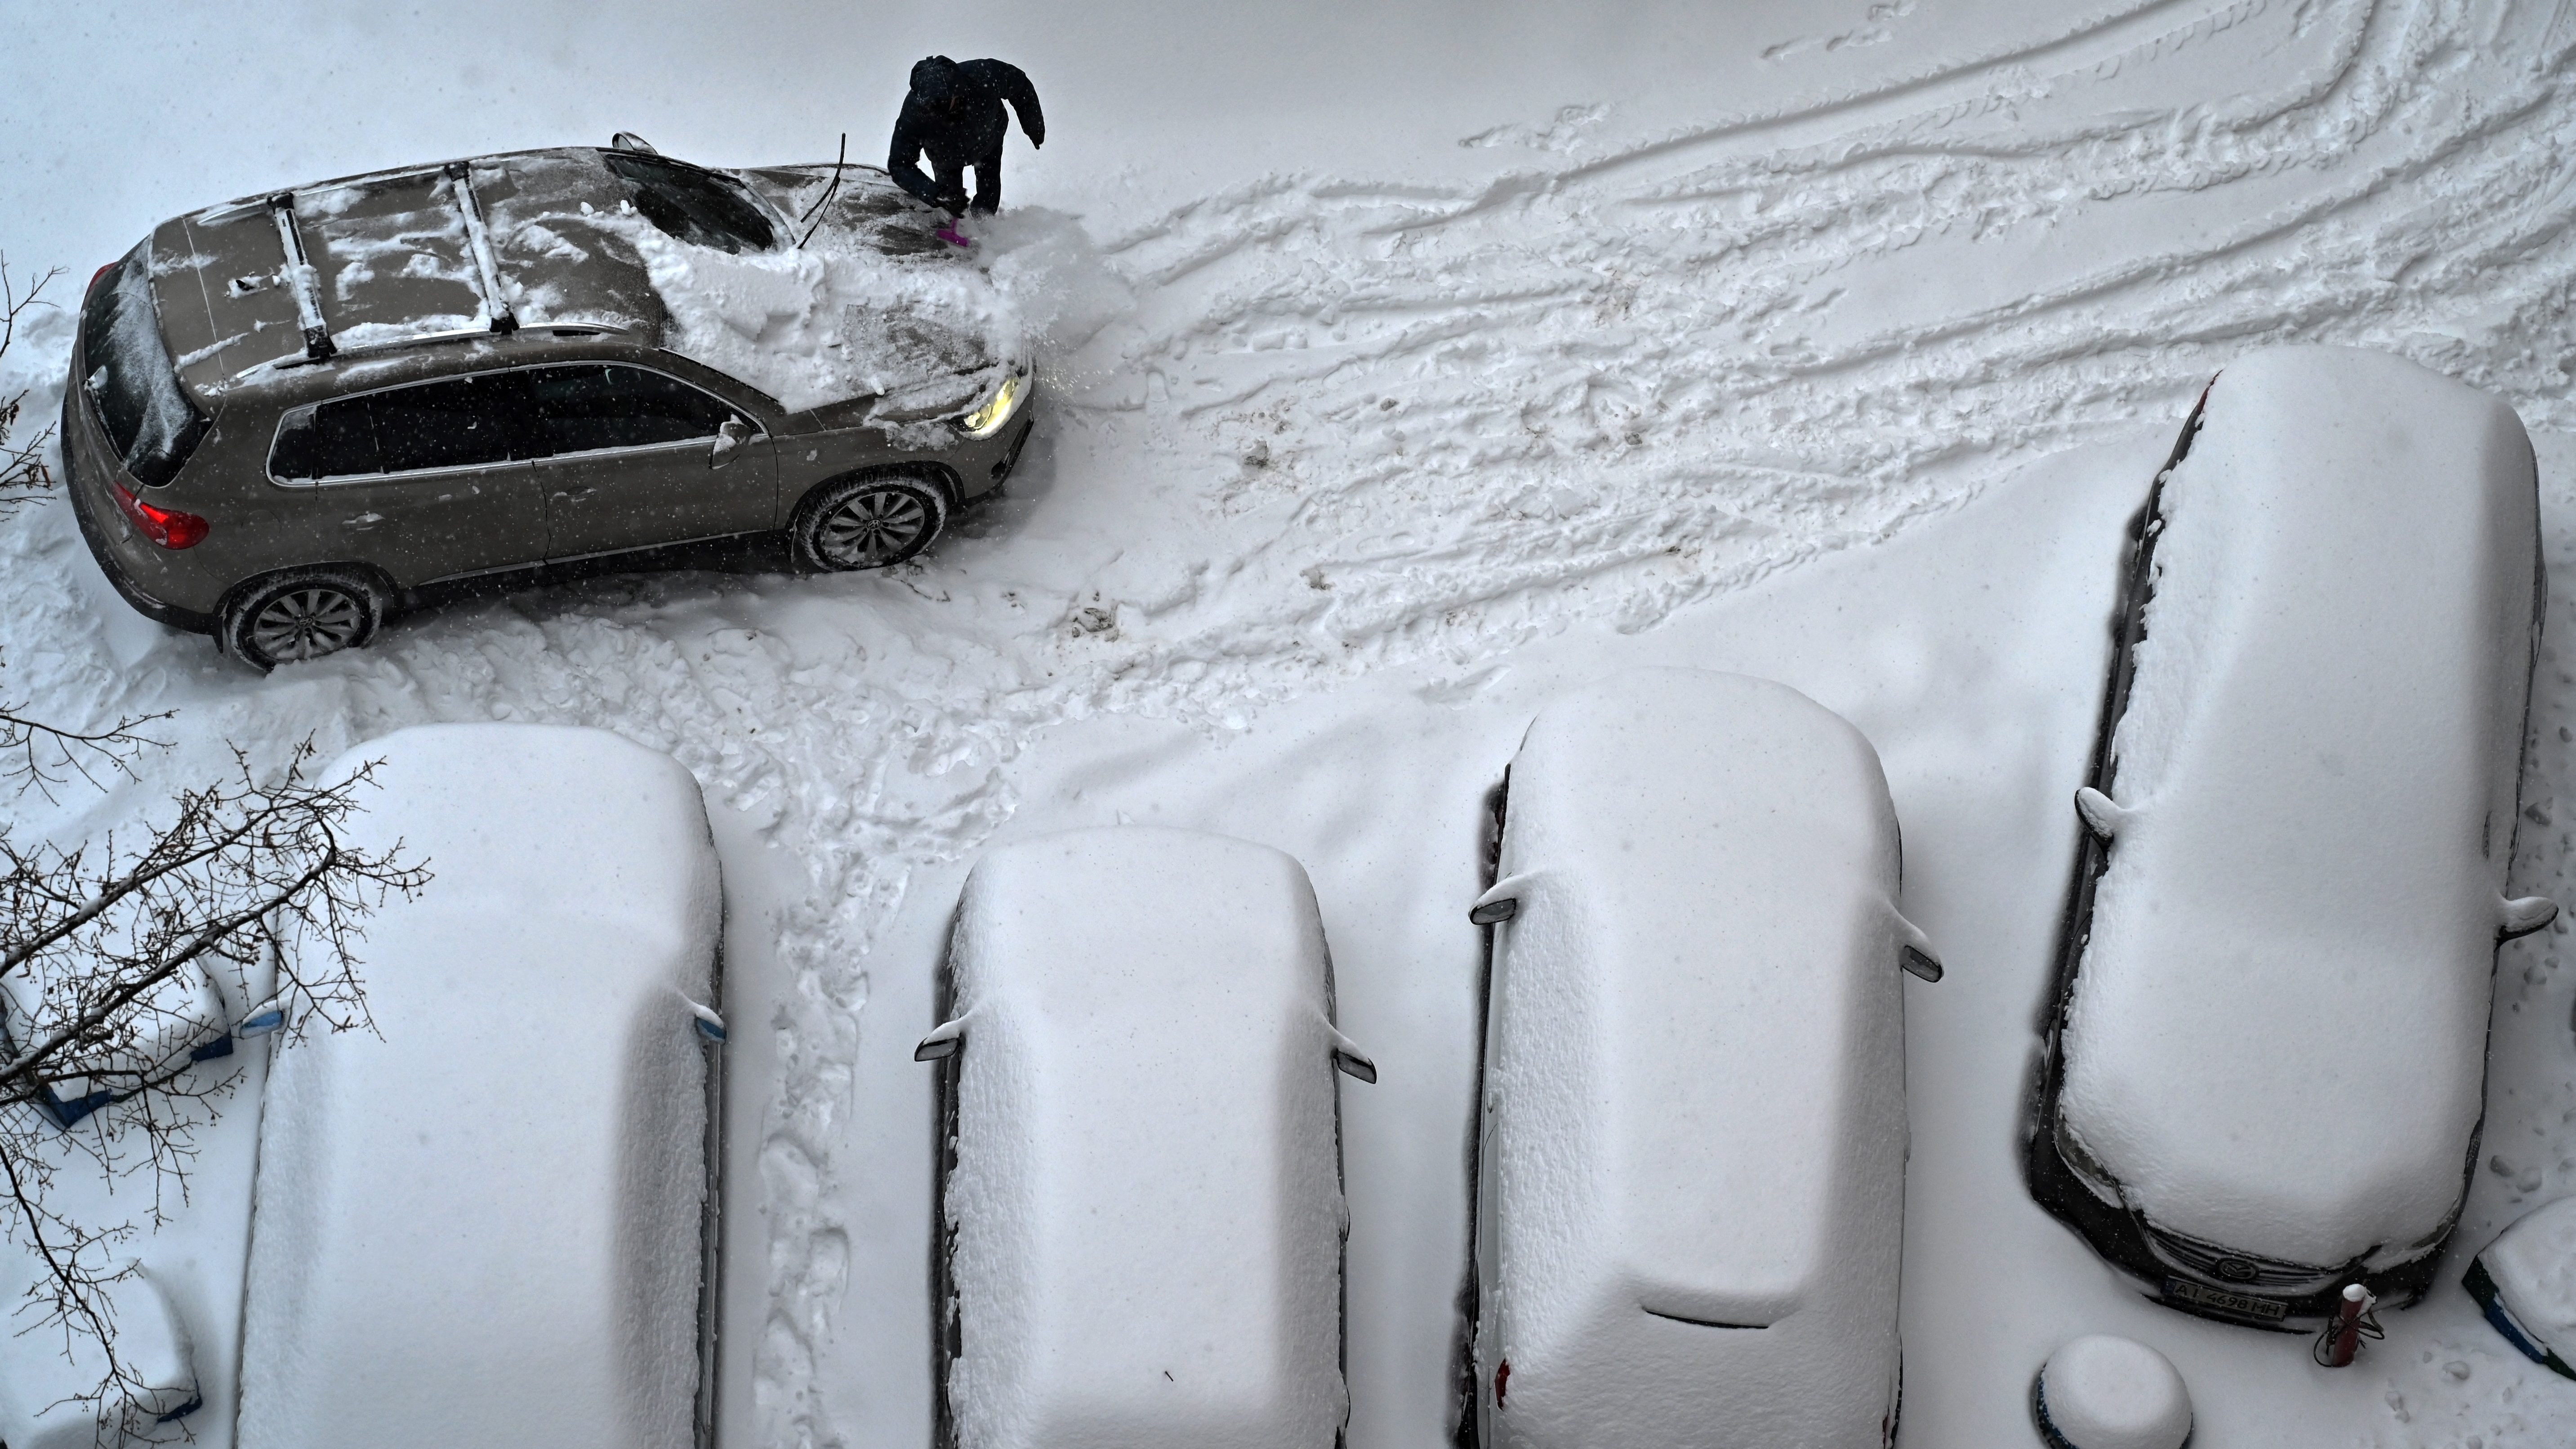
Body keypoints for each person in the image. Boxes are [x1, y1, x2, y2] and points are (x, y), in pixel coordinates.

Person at [888, 56, 1044, 218]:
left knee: (988, 193)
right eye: (929, 104)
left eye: (939, 104)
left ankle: (986, 226)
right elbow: (900, 165)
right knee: (952, 203)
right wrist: (935, 194)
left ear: (956, 93)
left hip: (989, 140)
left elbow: (1021, 86)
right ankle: (959, 229)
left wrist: (1034, 127)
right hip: (945, 157)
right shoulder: (916, 111)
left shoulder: (983, 76)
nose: (934, 110)